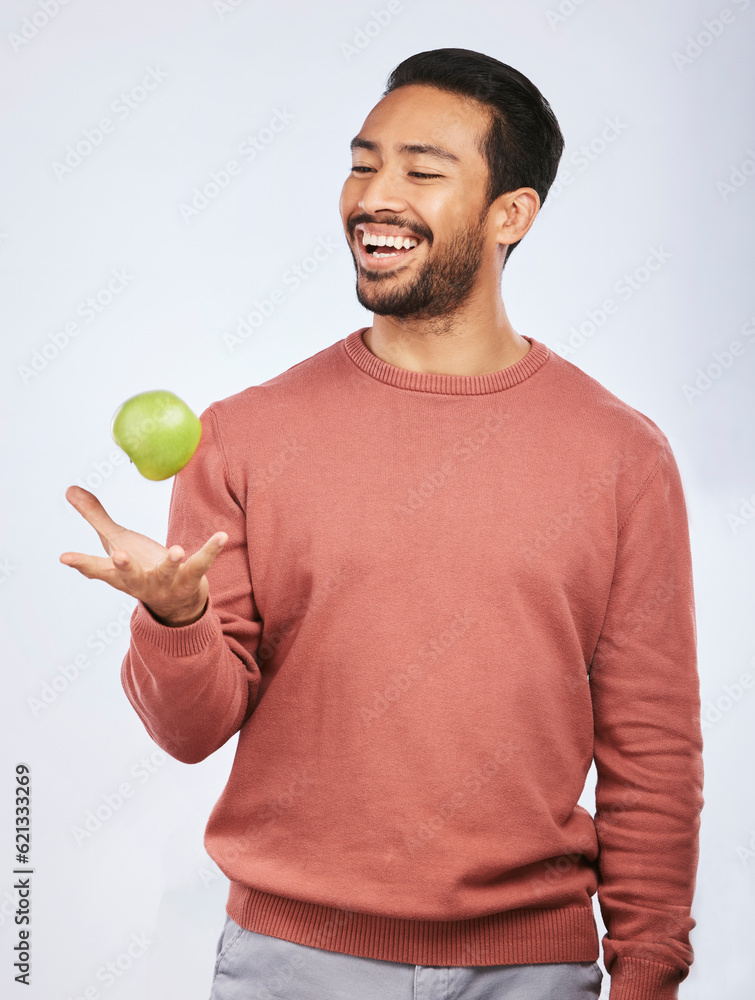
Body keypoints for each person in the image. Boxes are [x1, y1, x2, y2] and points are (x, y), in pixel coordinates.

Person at [60, 48, 704, 1000]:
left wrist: (648, 967)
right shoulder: (240, 436)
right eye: (363, 163)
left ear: (510, 214)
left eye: (422, 170)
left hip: (530, 970)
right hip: (291, 967)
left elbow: (649, 739)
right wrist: (174, 621)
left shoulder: (620, 456)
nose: (375, 195)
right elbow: (192, 734)